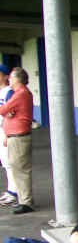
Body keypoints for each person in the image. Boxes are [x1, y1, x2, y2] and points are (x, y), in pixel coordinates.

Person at [0, 67, 34, 214]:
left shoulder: (21, 93)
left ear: (18, 79)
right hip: (15, 136)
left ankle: (26, 202)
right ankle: (23, 200)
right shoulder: (20, 93)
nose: (10, 80)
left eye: (12, 77)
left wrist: (8, 112)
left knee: (21, 170)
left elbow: (3, 110)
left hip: (19, 137)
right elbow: (8, 111)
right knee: (17, 169)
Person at [0, 64, 16, 207]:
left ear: (5, 76)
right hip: (1, 130)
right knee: (5, 162)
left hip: (6, 130)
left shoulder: (9, 92)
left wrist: (6, 132)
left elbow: (11, 113)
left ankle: (14, 192)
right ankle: (10, 190)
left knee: (10, 162)